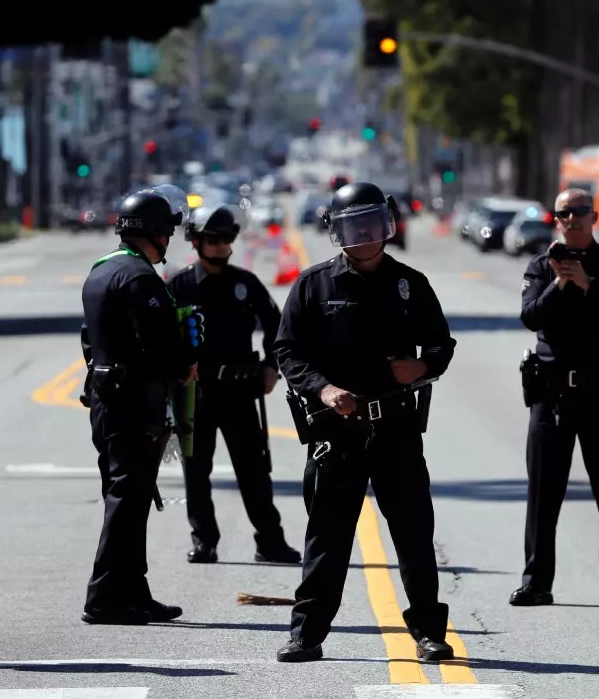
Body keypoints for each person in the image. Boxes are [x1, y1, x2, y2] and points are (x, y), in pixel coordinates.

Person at [273, 181, 456, 663]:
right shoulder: (314, 285)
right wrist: (323, 389)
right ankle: (306, 632)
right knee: (328, 536)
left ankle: (430, 632)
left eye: (372, 224)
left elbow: (441, 344)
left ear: (387, 224)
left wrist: (423, 367)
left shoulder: (409, 283)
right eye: (353, 226)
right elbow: (287, 351)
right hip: (338, 429)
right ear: (337, 230)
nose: (365, 235)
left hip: (396, 426)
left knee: (415, 533)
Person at [511, 188, 599, 609]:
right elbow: (530, 315)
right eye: (564, 213)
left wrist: (588, 285)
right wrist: (558, 283)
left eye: (580, 212)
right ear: (556, 219)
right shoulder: (539, 266)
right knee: (543, 494)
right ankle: (536, 582)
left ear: (594, 216)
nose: (572, 219)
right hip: (551, 396)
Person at [79, 185, 197, 625]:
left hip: (107, 399)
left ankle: (134, 591)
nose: (169, 239)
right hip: (133, 402)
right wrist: (185, 362)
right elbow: (161, 343)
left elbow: (89, 339)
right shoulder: (140, 277)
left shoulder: (101, 270)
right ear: (154, 232)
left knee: (128, 496)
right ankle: (103, 597)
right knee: (127, 498)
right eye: (167, 230)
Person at [166, 204, 301, 565]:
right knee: (196, 472)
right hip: (196, 393)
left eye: (227, 239)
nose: (221, 247)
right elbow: (159, 336)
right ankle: (204, 541)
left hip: (241, 390)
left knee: (254, 471)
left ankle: (269, 541)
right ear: (196, 242)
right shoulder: (179, 285)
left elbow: (278, 326)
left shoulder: (245, 283)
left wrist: (273, 367)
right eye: (213, 239)